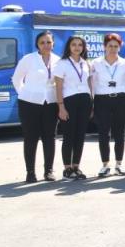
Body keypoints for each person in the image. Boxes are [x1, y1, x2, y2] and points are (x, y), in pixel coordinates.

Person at [12, 30, 61, 183]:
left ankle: (48, 171)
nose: (46, 45)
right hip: (29, 103)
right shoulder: (29, 59)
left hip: (50, 103)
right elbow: (16, 79)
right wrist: (24, 94)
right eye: (42, 42)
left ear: (53, 43)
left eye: (49, 42)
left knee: (49, 137)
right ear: (37, 45)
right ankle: (30, 172)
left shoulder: (58, 60)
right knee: (31, 138)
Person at [92, 33, 125, 177]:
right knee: (103, 133)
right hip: (102, 100)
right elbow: (93, 82)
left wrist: (124, 94)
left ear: (120, 47)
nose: (113, 49)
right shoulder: (96, 63)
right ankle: (105, 165)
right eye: (110, 46)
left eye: (116, 46)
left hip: (120, 99)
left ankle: (119, 165)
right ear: (104, 47)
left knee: (119, 133)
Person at [53, 35, 94, 180]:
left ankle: (76, 166)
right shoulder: (62, 63)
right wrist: (61, 107)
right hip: (69, 101)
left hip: (85, 100)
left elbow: (89, 84)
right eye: (74, 45)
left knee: (80, 135)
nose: (77, 47)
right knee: (69, 136)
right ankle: (67, 168)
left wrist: (92, 104)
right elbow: (58, 87)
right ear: (68, 47)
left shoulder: (86, 63)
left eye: (80, 45)